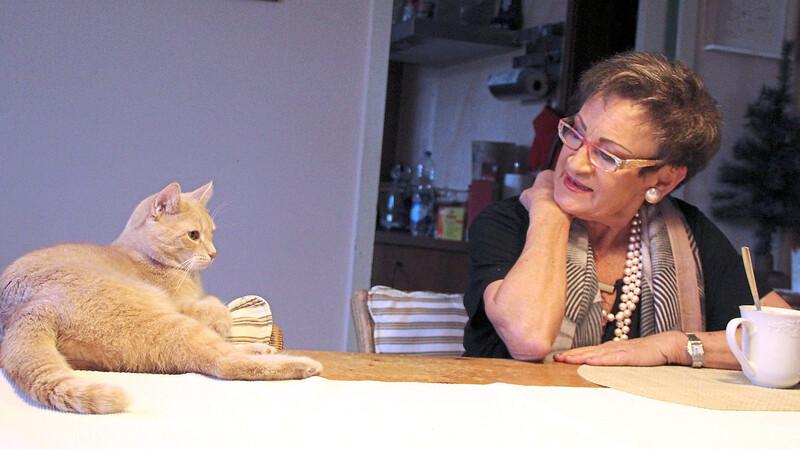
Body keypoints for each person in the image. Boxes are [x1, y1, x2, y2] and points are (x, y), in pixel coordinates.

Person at [463, 51, 791, 368]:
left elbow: (790, 343)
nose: (575, 163)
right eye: (576, 132)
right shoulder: (508, 223)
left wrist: (673, 346)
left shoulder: (688, 235)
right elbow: (528, 339)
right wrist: (549, 215)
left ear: (663, 181)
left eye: (607, 156)